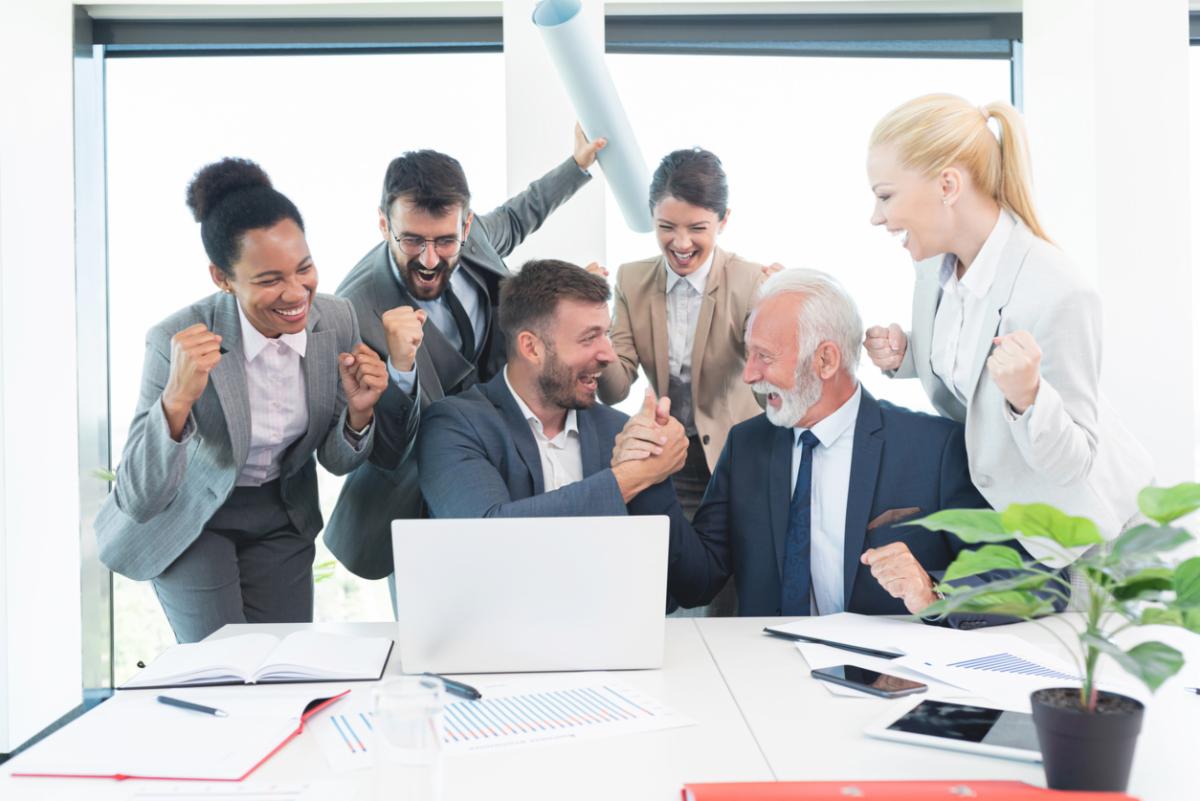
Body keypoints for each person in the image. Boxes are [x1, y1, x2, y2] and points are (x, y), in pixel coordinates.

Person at [616, 269, 1058, 624]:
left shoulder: (933, 448)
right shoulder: (746, 446)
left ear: (825, 360)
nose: (749, 375)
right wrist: (650, 480)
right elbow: (697, 582)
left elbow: (1025, 581)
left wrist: (934, 590)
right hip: (765, 685)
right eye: (748, 355)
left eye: (765, 357)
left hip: (886, 689)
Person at [95, 158, 388, 643]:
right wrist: (176, 402)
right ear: (222, 277)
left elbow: (335, 462)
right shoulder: (174, 339)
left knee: (282, 667)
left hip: (282, 515)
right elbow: (140, 497)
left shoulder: (335, 321)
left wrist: (359, 413)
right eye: (269, 279)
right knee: (225, 667)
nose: (296, 293)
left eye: (305, 268)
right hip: (193, 517)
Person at [863, 94, 1153, 559]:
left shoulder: (1058, 290)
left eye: (885, 196)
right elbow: (976, 360)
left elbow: (1074, 459)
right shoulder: (935, 266)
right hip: (1015, 529)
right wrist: (911, 355)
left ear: (948, 185)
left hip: (1092, 541)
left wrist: (1030, 397)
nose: (876, 216)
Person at [324, 127, 607, 584]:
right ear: (383, 224)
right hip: (418, 495)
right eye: (412, 240)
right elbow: (387, 449)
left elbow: (521, 214)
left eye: (445, 241)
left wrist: (577, 166)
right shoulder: (353, 310)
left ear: (467, 226)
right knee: (437, 637)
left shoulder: (474, 241)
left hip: (504, 466)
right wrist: (400, 369)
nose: (430, 260)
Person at [416, 260, 717, 609]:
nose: (608, 354)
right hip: (495, 648)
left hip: (611, 647)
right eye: (590, 338)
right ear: (531, 347)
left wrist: (655, 466)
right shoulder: (453, 425)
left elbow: (694, 586)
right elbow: (488, 536)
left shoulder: (618, 431)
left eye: (607, 333)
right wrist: (626, 479)